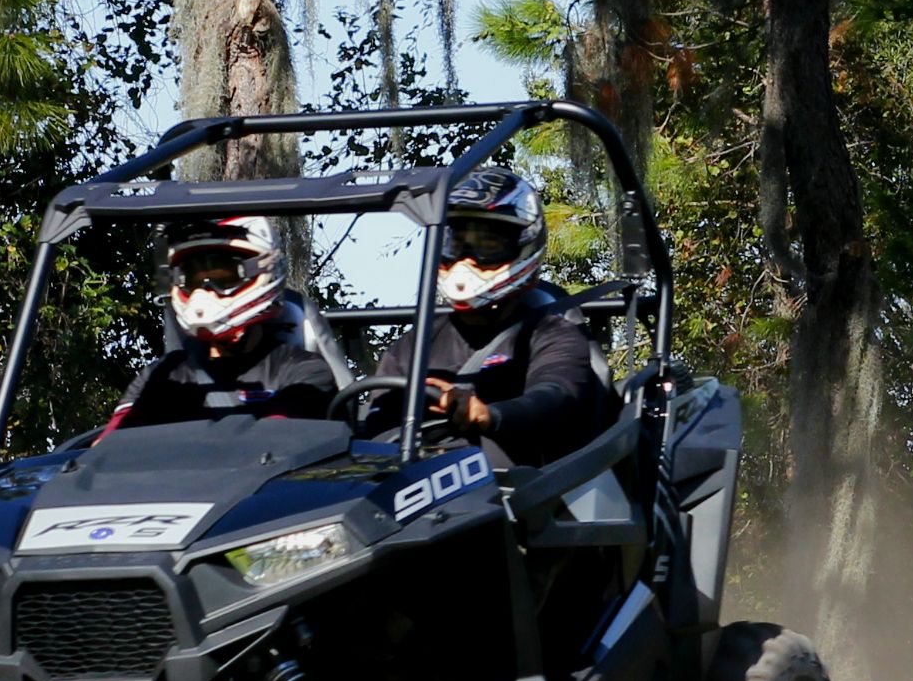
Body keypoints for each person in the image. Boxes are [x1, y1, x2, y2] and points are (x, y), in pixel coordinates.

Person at [369, 168, 613, 467]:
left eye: (486, 244)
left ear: (522, 244)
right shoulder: (414, 346)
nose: (467, 259)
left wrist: (488, 414)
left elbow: (556, 395)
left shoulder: (552, 333)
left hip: (528, 494)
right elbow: (375, 431)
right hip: (425, 493)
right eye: (457, 243)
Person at [100, 216, 337, 434]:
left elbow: (275, 445)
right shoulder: (164, 375)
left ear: (261, 272)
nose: (205, 293)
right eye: (194, 280)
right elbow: (109, 449)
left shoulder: (305, 371)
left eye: (223, 278)